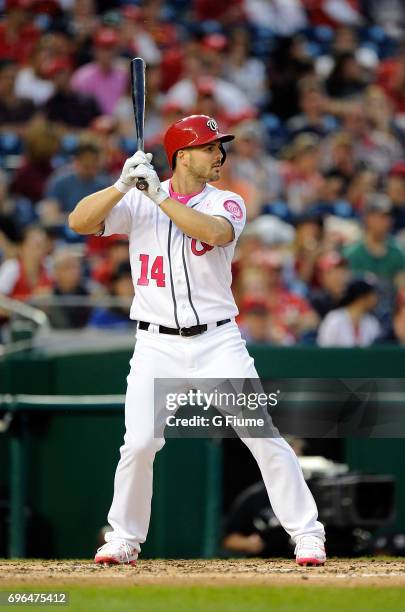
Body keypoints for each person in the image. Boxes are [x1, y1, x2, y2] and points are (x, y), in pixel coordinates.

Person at [68, 114, 326, 567]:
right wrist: (121, 185)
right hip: (155, 345)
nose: (219, 154)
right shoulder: (139, 199)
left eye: (218, 146)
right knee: (140, 443)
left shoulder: (226, 201)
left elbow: (212, 232)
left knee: (262, 436)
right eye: (209, 147)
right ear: (182, 155)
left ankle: (307, 533)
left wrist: (159, 194)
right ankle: (124, 537)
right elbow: (79, 222)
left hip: (217, 342)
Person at [317, 277, 381, 347]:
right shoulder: (334, 319)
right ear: (361, 298)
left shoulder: (372, 322)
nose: (375, 299)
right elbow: (324, 349)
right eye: (372, 295)